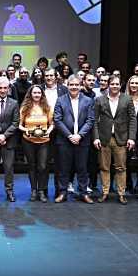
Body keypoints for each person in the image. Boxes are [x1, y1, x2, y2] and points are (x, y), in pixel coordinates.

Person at [92, 75, 136, 204]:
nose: (115, 86)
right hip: (104, 138)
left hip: (121, 139)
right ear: (108, 85)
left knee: (121, 167)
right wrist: (95, 138)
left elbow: (133, 119)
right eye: (112, 84)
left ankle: (121, 193)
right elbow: (94, 120)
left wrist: (132, 138)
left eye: (117, 84)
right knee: (104, 167)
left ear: (120, 85)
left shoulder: (127, 99)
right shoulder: (99, 100)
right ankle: (105, 192)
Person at [53, 75, 95, 204]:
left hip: (82, 140)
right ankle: (62, 193)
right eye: (71, 85)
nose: (74, 87)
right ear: (67, 85)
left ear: (80, 85)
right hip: (65, 140)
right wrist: (70, 136)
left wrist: (80, 135)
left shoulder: (88, 100)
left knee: (82, 168)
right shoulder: (60, 100)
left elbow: (90, 120)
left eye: (76, 85)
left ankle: (83, 193)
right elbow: (57, 119)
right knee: (64, 168)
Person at [19, 85, 53, 202]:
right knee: (32, 166)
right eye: (35, 93)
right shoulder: (25, 107)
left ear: (42, 94)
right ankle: (34, 190)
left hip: (44, 141)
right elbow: (19, 125)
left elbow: (52, 124)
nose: (37, 95)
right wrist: (26, 130)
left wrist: (48, 131)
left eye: (39, 93)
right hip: (28, 141)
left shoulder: (47, 107)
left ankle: (42, 191)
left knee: (42, 166)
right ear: (31, 94)